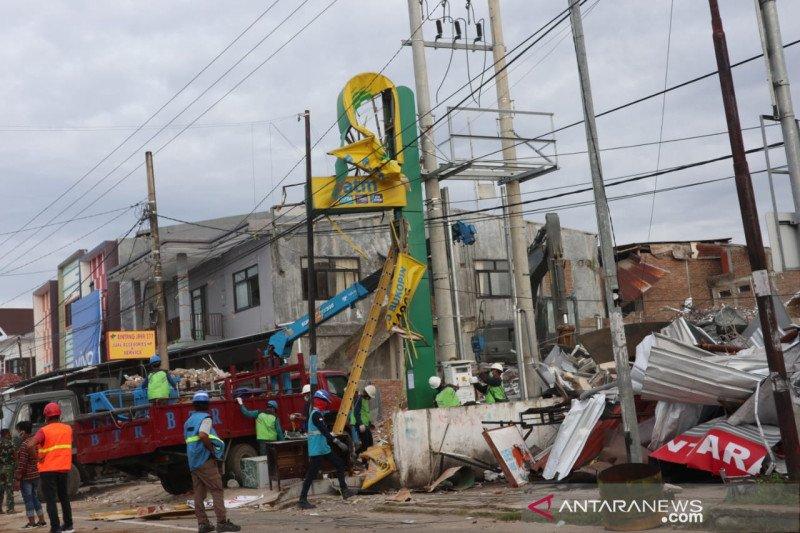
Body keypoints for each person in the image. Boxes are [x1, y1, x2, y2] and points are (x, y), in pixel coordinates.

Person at [183, 391, 240, 533]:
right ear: (207, 405)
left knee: (199, 493)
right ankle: (222, 522)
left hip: (193, 461)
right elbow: (203, 435)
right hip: (204, 460)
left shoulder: (188, 421)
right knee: (217, 489)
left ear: (195, 405)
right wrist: (212, 450)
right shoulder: (206, 418)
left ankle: (203, 524)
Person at [297, 390, 355, 510]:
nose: (327, 405)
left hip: (323, 447)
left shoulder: (318, 413)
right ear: (320, 401)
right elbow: (324, 431)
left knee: (339, 464)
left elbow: (324, 429)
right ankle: (302, 500)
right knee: (311, 474)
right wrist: (338, 442)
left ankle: (344, 491)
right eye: (326, 402)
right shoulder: (316, 414)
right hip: (317, 449)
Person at [34, 402, 72, 533]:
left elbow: (30, 445)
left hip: (48, 470)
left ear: (46, 417)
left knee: (50, 499)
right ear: (59, 415)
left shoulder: (43, 431)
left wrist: (37, 457)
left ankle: (55, 528)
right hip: (63, 468)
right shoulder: (68, 429)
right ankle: (68, 525)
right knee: (64, 497)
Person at [14, 421, 46, 529]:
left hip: (26, 477)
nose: (18, 433)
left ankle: (31, 522)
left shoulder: (24, 445)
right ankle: (42, 520)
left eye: (18, 431)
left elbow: (22, 464)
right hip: (36, 475)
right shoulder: (35, 442)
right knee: (35, 498)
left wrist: (18, 478)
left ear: (23, 431)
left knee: (28, 500)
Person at [349, 385, 376, 451]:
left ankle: (361, 456)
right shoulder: (359, 399)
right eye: (369, 396)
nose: (370, 398)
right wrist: (360, 424)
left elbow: (365, 413)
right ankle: (361, 457)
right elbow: (356, 412)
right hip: (359, 424)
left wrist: (369, 424)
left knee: (370, 443)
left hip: (365, 424)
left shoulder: (365, 400)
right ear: (367, 394)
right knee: (365, 445)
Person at [0, 428, 16, 515]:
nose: (10, 435)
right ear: (6, 434)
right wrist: (16, 466)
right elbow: (14, 454)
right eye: (9, 433)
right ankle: (10, 509)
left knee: (0, 488)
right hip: (9, 468)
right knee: (9, 489)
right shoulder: (11, 443)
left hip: (0, 468)